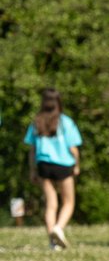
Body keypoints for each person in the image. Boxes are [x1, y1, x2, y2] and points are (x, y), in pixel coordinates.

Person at [24, 88, 82, 250]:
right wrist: (77, 165)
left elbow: (32, 150)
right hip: (63, 165)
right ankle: (58, 228)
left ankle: (52, 242)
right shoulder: (65, 122)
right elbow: (73, 149)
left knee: (51, 204)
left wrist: (32, 170)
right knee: (69, 202)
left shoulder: (36, 122)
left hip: (43, 165)